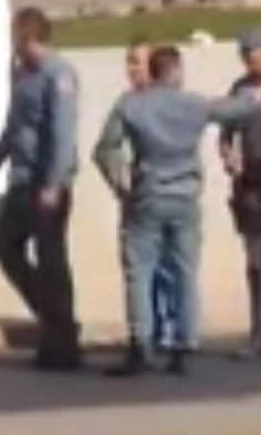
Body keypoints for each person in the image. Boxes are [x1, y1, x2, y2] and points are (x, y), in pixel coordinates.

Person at [92, 45, 261, 376]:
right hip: (185, 195)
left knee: (139, 271)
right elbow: (233, 111)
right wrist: (253, 97)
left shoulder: (131, 105)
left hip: (147, 194)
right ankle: (183, 345)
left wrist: (119, 182)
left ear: (153, 72)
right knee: (185, 271)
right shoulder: (192, 104)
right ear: (177, 71)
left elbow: (104, 149)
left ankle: (141, 344)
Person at [0, 7, 83, 370]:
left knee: (51, 260)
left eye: (17, 38)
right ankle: (52, 316)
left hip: (46, 183)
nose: (14, 46)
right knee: (5, 244)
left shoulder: (58, 75)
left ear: (30, 38)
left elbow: (62, 134)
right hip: (22, 178)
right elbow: (14, 126)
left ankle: (62, 341)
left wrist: (55, 184)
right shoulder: (21, 73)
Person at [125, 38, 182, 352]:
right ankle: (148, 331)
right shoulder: (129, 103)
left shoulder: (167, 103)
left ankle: (171, 328)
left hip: (167, 192)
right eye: (129, 62)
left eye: (138, 62)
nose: (132, 69)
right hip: (138, 193)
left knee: (168, 265)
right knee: (144, 267)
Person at [219, 28, 261, 361]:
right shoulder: (240, 90)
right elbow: (226, 133)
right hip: (251, 186)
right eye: (245, 54)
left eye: (255, 52)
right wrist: (228, 157)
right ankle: (258, 333)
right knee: (256, 263)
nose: (250, 59)